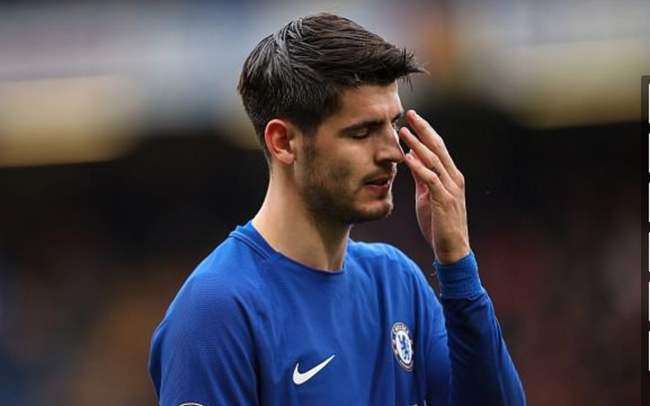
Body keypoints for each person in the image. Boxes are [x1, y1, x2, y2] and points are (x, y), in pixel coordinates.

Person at [149, 13, 526, 406]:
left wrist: (457, 263)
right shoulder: (216, 309)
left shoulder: (397, 282)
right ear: (283, 142)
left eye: (392, 125)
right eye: (361, 132)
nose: (393, 152)